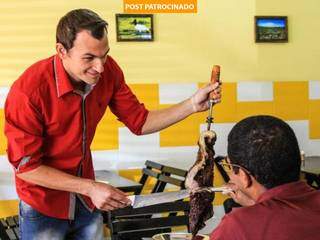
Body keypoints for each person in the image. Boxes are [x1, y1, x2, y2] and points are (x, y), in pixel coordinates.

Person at [4, 9, 221, 240]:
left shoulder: (109, 72)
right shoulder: (28, 92)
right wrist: (90, 187)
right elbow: (26, 167)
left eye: (104, 55)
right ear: (61, 51)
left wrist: (191, 105)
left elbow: (140, 122)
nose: (100, 67)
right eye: (89, 58)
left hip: (87, 203)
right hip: (43, 205)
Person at [210, 115, 320, 240]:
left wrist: (252, 213)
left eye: (229, 166)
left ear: (244, 176)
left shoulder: (238, 227)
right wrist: (255, 204)